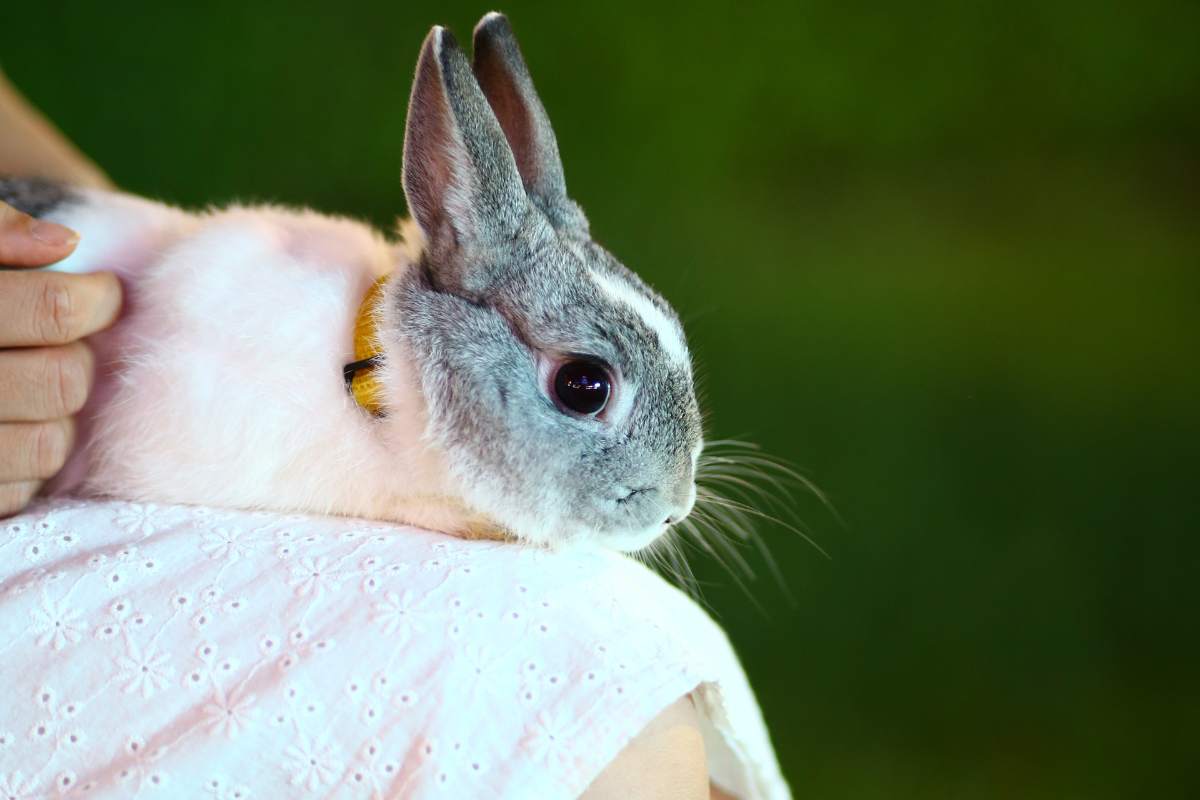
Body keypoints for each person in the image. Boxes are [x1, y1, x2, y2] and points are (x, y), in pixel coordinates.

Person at [0, 71, 781, 799]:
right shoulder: (267, 339)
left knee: (627, 688)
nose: (677, 500)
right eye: (584, 388)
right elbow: (147, 455)